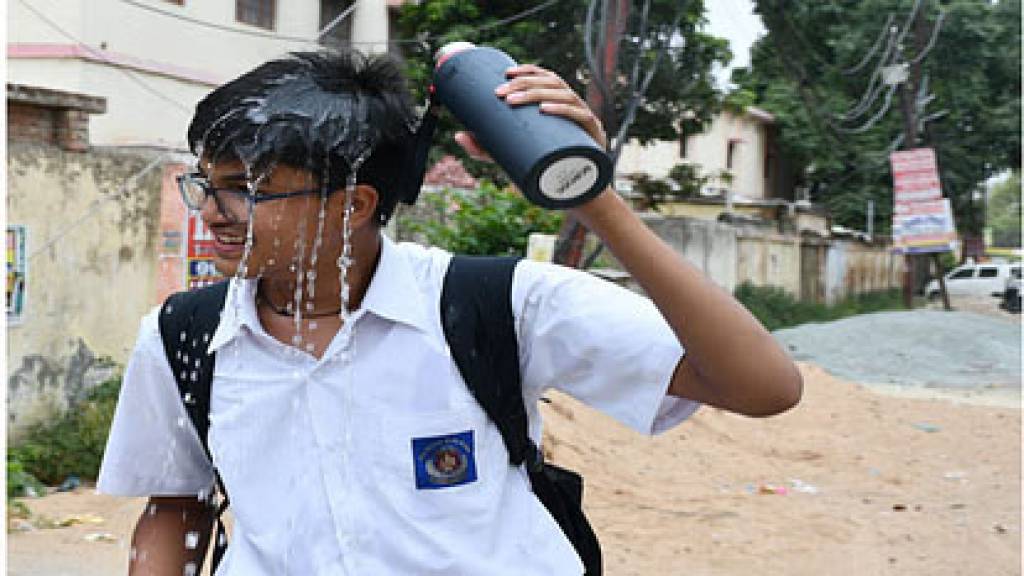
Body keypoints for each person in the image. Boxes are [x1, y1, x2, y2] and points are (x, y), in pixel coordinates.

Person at [97, 48, 801, 575]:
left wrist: (595, 201)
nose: (213, 215)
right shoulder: (182, 337)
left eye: (247, 190)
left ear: (354, 206)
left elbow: (763, 386)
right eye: (207, 185)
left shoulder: (494, 307)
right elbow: (176, 507)